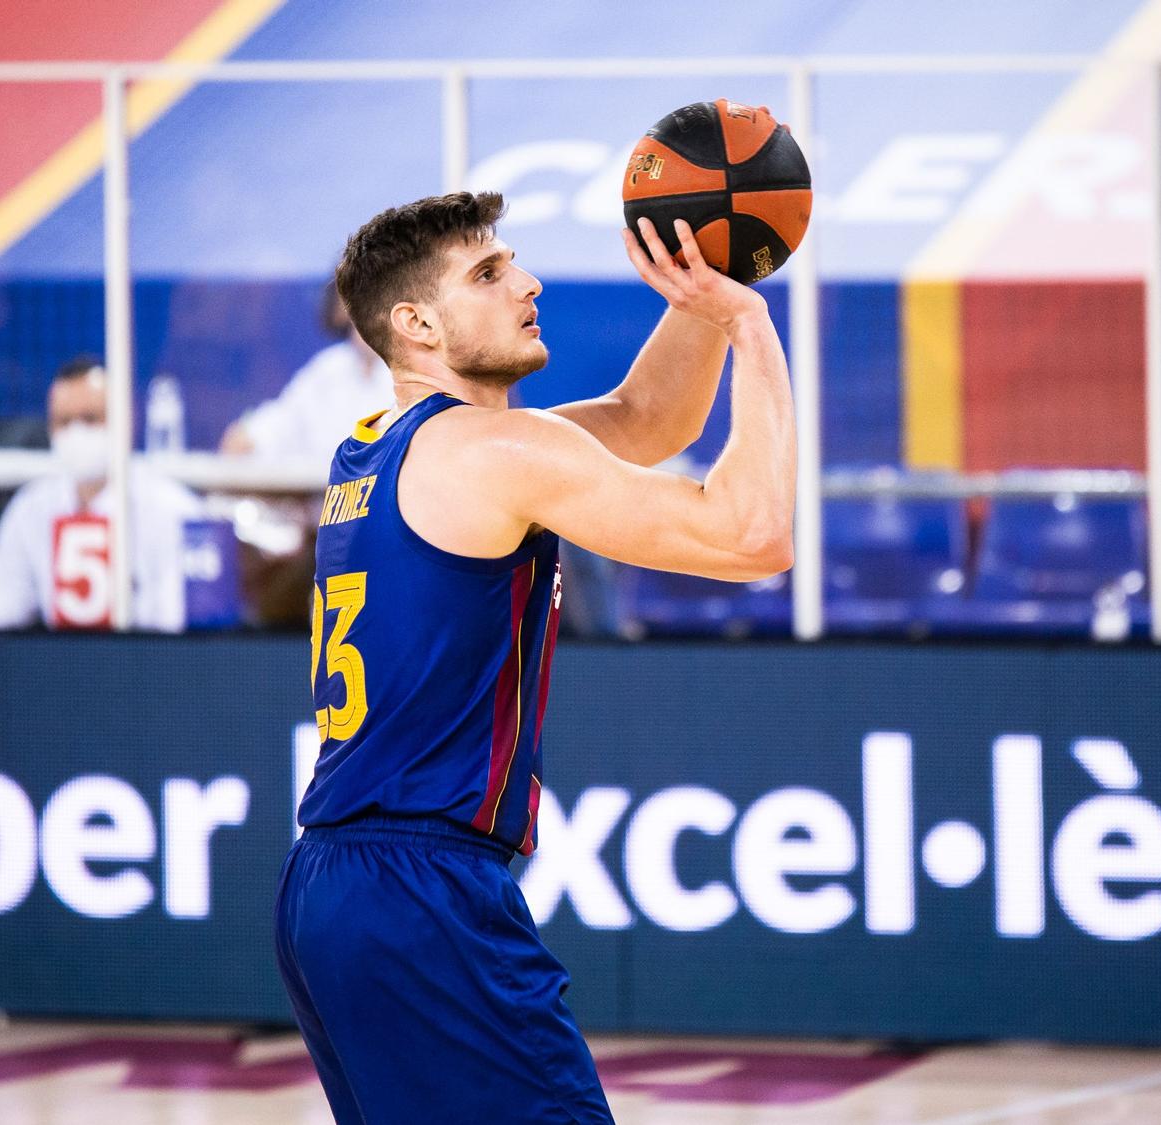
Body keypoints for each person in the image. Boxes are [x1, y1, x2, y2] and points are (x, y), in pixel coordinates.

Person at [275, 192, 792, 1124]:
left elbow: (648, 416)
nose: (528, 281)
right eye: (488, 273)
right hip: (422, 889)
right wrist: (750, 324)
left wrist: (707, 285)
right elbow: (754, 536)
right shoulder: (494, 453)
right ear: (416, 323)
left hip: (330, 885)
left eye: (511, 261)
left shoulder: (375, 450)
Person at [0, 358, 204, 632]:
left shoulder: (173, 510)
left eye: (90, 418)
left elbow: (177, 629)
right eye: (64, 422)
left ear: (126, 419)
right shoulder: (30, 509)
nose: (76, 433)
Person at [219, 284, 392, 462]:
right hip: (327, 486)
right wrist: (251, 435)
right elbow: (287, 417)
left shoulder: (413, 371)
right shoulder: (330, 366)